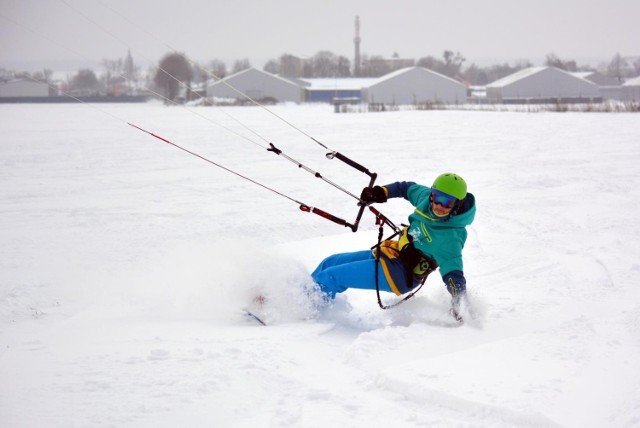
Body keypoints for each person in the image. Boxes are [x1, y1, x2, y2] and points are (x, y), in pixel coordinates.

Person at [311, 173, 476, 317]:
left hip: (399, 275)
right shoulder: (426, 199)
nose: (440, 205)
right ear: (432, 194)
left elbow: (454, 275)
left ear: (457, 204)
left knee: (332, 277)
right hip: (392, 254)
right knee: (330, 262)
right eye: (438, 197)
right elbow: (405, 188)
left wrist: (460, 305)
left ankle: (308, 313)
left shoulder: (450, 238)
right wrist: (380, 192)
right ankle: (304, 296)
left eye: (448, 202)